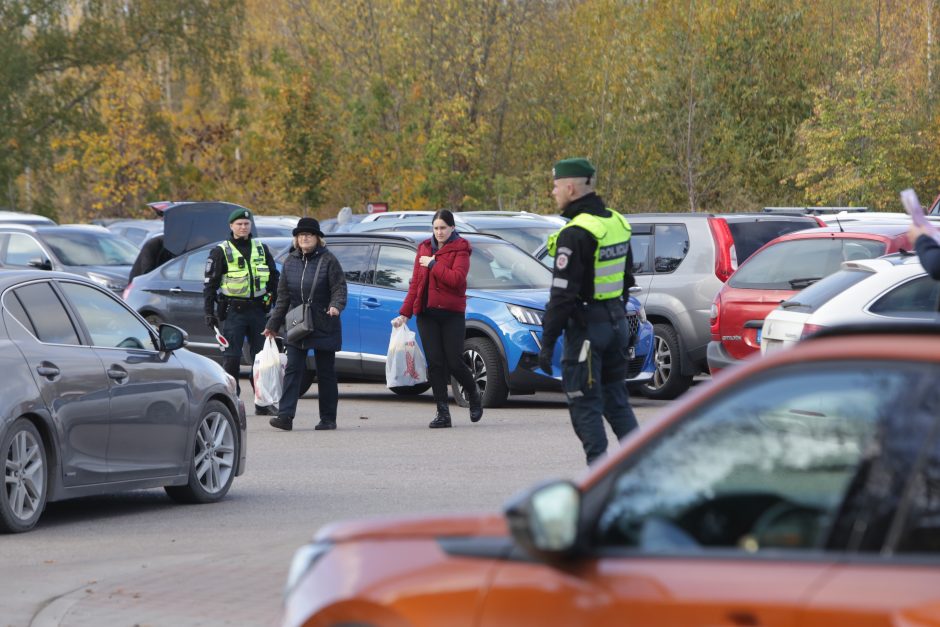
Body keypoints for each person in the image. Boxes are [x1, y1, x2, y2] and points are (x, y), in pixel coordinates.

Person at [538, 157, 639, 465]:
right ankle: (645, 466)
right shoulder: (617, 223)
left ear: (570, 188)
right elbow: (627, 279)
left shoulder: (576, 233)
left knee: (584, 403)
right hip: (616, 324)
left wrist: (547, 342)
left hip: (586, 332)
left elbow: (562, 296)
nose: (553, 192)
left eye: (555, 186)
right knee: (616, 400)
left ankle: (599, 478)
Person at [391, 210, 483, 428]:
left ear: (452, 228)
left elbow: (457, 280)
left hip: (451, 314)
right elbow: (416, 284)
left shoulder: (461, 249)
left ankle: (473, 394)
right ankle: (443, 413)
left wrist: (433, 264)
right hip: (427, 314)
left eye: (443, 228)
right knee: (435, 363)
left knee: (454, 361)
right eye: (436, 228)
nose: (439, 232)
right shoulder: (424, 248)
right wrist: (405, 313)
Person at [264, 217, 347, 431]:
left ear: (318, 238)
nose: (305, 238)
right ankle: (285, 416)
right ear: (296, 239)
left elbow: (339, 287)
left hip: (324, 321)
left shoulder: (329, 260)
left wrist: (336, 305)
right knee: (293, 369)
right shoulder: (290, 262)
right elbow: (283, 297)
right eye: (301, 235)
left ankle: (328, 419)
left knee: (325, 371)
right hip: (297, 322)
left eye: (309, 235)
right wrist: (273, 324)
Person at [204, 208, 280, 415]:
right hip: (232, 312)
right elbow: (210, 285)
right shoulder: (221, 251)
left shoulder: (261, 248)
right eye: (239, 224)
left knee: (261, 359)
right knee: (232, 359)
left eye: (246, 224)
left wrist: (271, 300)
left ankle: (263, 402)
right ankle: (232, 402)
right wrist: (209, 312)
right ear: (231, 227)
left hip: (258, 311)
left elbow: (274, 278)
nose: (243, 227)